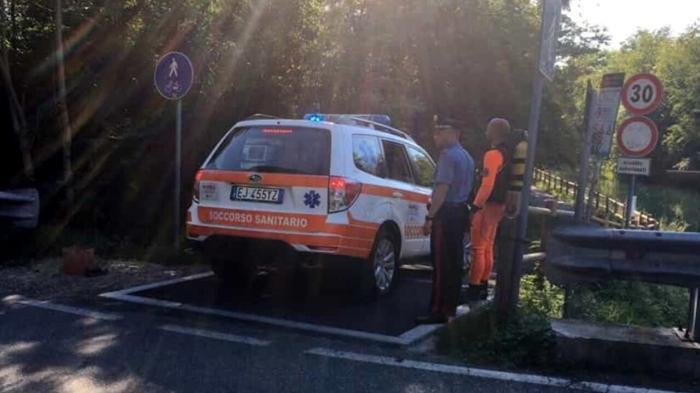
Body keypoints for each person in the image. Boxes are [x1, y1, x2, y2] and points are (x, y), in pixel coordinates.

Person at [416, 121, 475, 324]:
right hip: (460, 214)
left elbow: (441, 190)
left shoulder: (448, 156)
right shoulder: (467, 157)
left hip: (446, 214)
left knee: (442, 265)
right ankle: (450, 307)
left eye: (439, 132)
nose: (435, 137)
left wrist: (430, 217)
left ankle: (438, 310)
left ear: (452, 133)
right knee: (455, 262)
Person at [466, 118, 512, 301]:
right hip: (499, 206)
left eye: (488, 128)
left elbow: (487, 184)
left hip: (487, 205)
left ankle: (474, 287)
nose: (486, 131)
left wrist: (475, 206)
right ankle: (483, 284)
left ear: (494, 132)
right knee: (488, 247)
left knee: (477, 248)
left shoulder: (492, 155)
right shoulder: (507, 154)